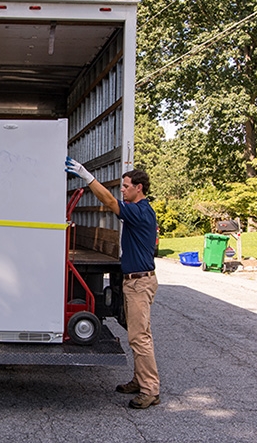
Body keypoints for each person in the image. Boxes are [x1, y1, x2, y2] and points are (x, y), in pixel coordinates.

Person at [65, 157, 160, 409]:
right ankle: (140, 380)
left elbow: (108, 201)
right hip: (135, 281)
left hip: (140, 283)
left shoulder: (140, 212)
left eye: (126, 186)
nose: (122, 190)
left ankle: (150, 390)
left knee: (140, 337)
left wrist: (87, 176)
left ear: (139, 188)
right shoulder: (138, 211)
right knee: (138, 335)